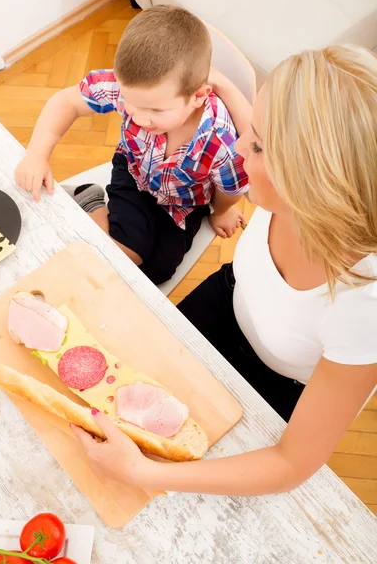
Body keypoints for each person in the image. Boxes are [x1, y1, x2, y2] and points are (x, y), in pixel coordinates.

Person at [71, 45, 377, 496]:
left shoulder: (363, 306)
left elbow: (291, 462)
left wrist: (144, 475)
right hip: (225, 297)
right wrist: (221, 81)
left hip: (273, 384)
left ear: (311, 183)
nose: (237, 145)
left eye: (256, 143)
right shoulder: (294, 197)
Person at [15, 5, 249, 285]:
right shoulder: (128, 86)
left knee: (159, 273)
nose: (137, 117)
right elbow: (66, 102)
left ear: (198, 96)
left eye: (155, 111)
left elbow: (230, 188)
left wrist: (221, 211)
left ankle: (95, 209)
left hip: (184, 203)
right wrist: (37, 154)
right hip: (135, 175)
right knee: (127, 254)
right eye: (129, 102)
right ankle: (90, 200)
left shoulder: (221, 141)